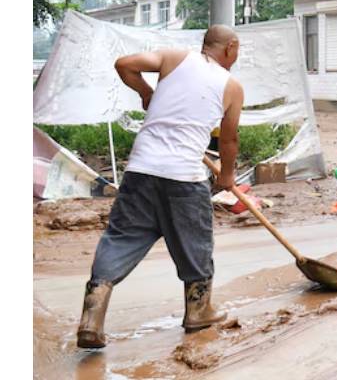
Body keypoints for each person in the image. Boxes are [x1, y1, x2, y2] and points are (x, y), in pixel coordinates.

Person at [76, 26, 245, 349]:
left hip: (141, 170)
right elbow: (229, 138)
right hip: (183, 177)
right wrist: (226, 176)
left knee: (121, 238)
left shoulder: (173, 57)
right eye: (237, 52)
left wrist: (145, 92)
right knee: (195, 244)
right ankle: (198, 312)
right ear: (229, 48)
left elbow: (125, 64)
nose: (236, 58)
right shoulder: (232, 87)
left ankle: (91, 319)